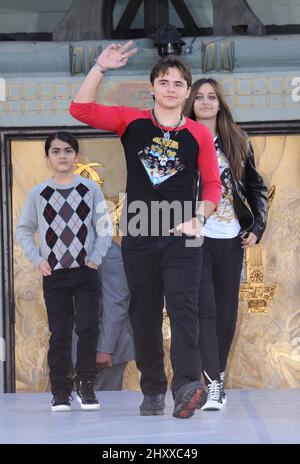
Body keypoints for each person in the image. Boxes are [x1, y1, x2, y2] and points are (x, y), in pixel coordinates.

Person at [69, 41, 222, 419]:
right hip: (140, 227)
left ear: (187, 92)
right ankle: (152, 388)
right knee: (144, 313)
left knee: (185, 309)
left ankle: (187, 385)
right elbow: (80, 109)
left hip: (185, 229)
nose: (171, 88)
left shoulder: (198, 134)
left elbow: (213, 186)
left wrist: (199, 218)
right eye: (164, 81)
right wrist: (100, 68)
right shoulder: (130, 121)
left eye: (178, 83)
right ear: (152, 87)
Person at [184, 78, 268, 410]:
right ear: (191, 102)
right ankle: (213, 385)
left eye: (211, 97)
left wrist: (257, 226)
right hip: (195, 238)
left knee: (227, 314)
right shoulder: (180, 139)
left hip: (230, 238)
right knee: (204, 310)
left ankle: (216, 374)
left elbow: (256, 187)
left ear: (220, 103)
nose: (205, 102)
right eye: (199, 97)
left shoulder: (237, 140)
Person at [16, 131, 112, 412]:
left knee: (87, 329)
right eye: (56, 151)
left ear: (77, 156)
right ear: (47, 158)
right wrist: (38, 259)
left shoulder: (89, 190)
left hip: (85, 271)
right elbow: (24, 229)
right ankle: (60, 390)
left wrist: (94, 259)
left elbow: (103, 228)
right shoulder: (39, 193)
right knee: (59, 333)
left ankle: (86, 386)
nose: (62, 156)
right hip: (54, 274)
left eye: (68, 150)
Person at [72, 240, 135, 390]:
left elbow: (115, 304)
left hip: (104, 350)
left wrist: (105, 350)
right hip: (82, 348)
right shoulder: (74, 247)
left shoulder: (109, 252)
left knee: (103, 408)